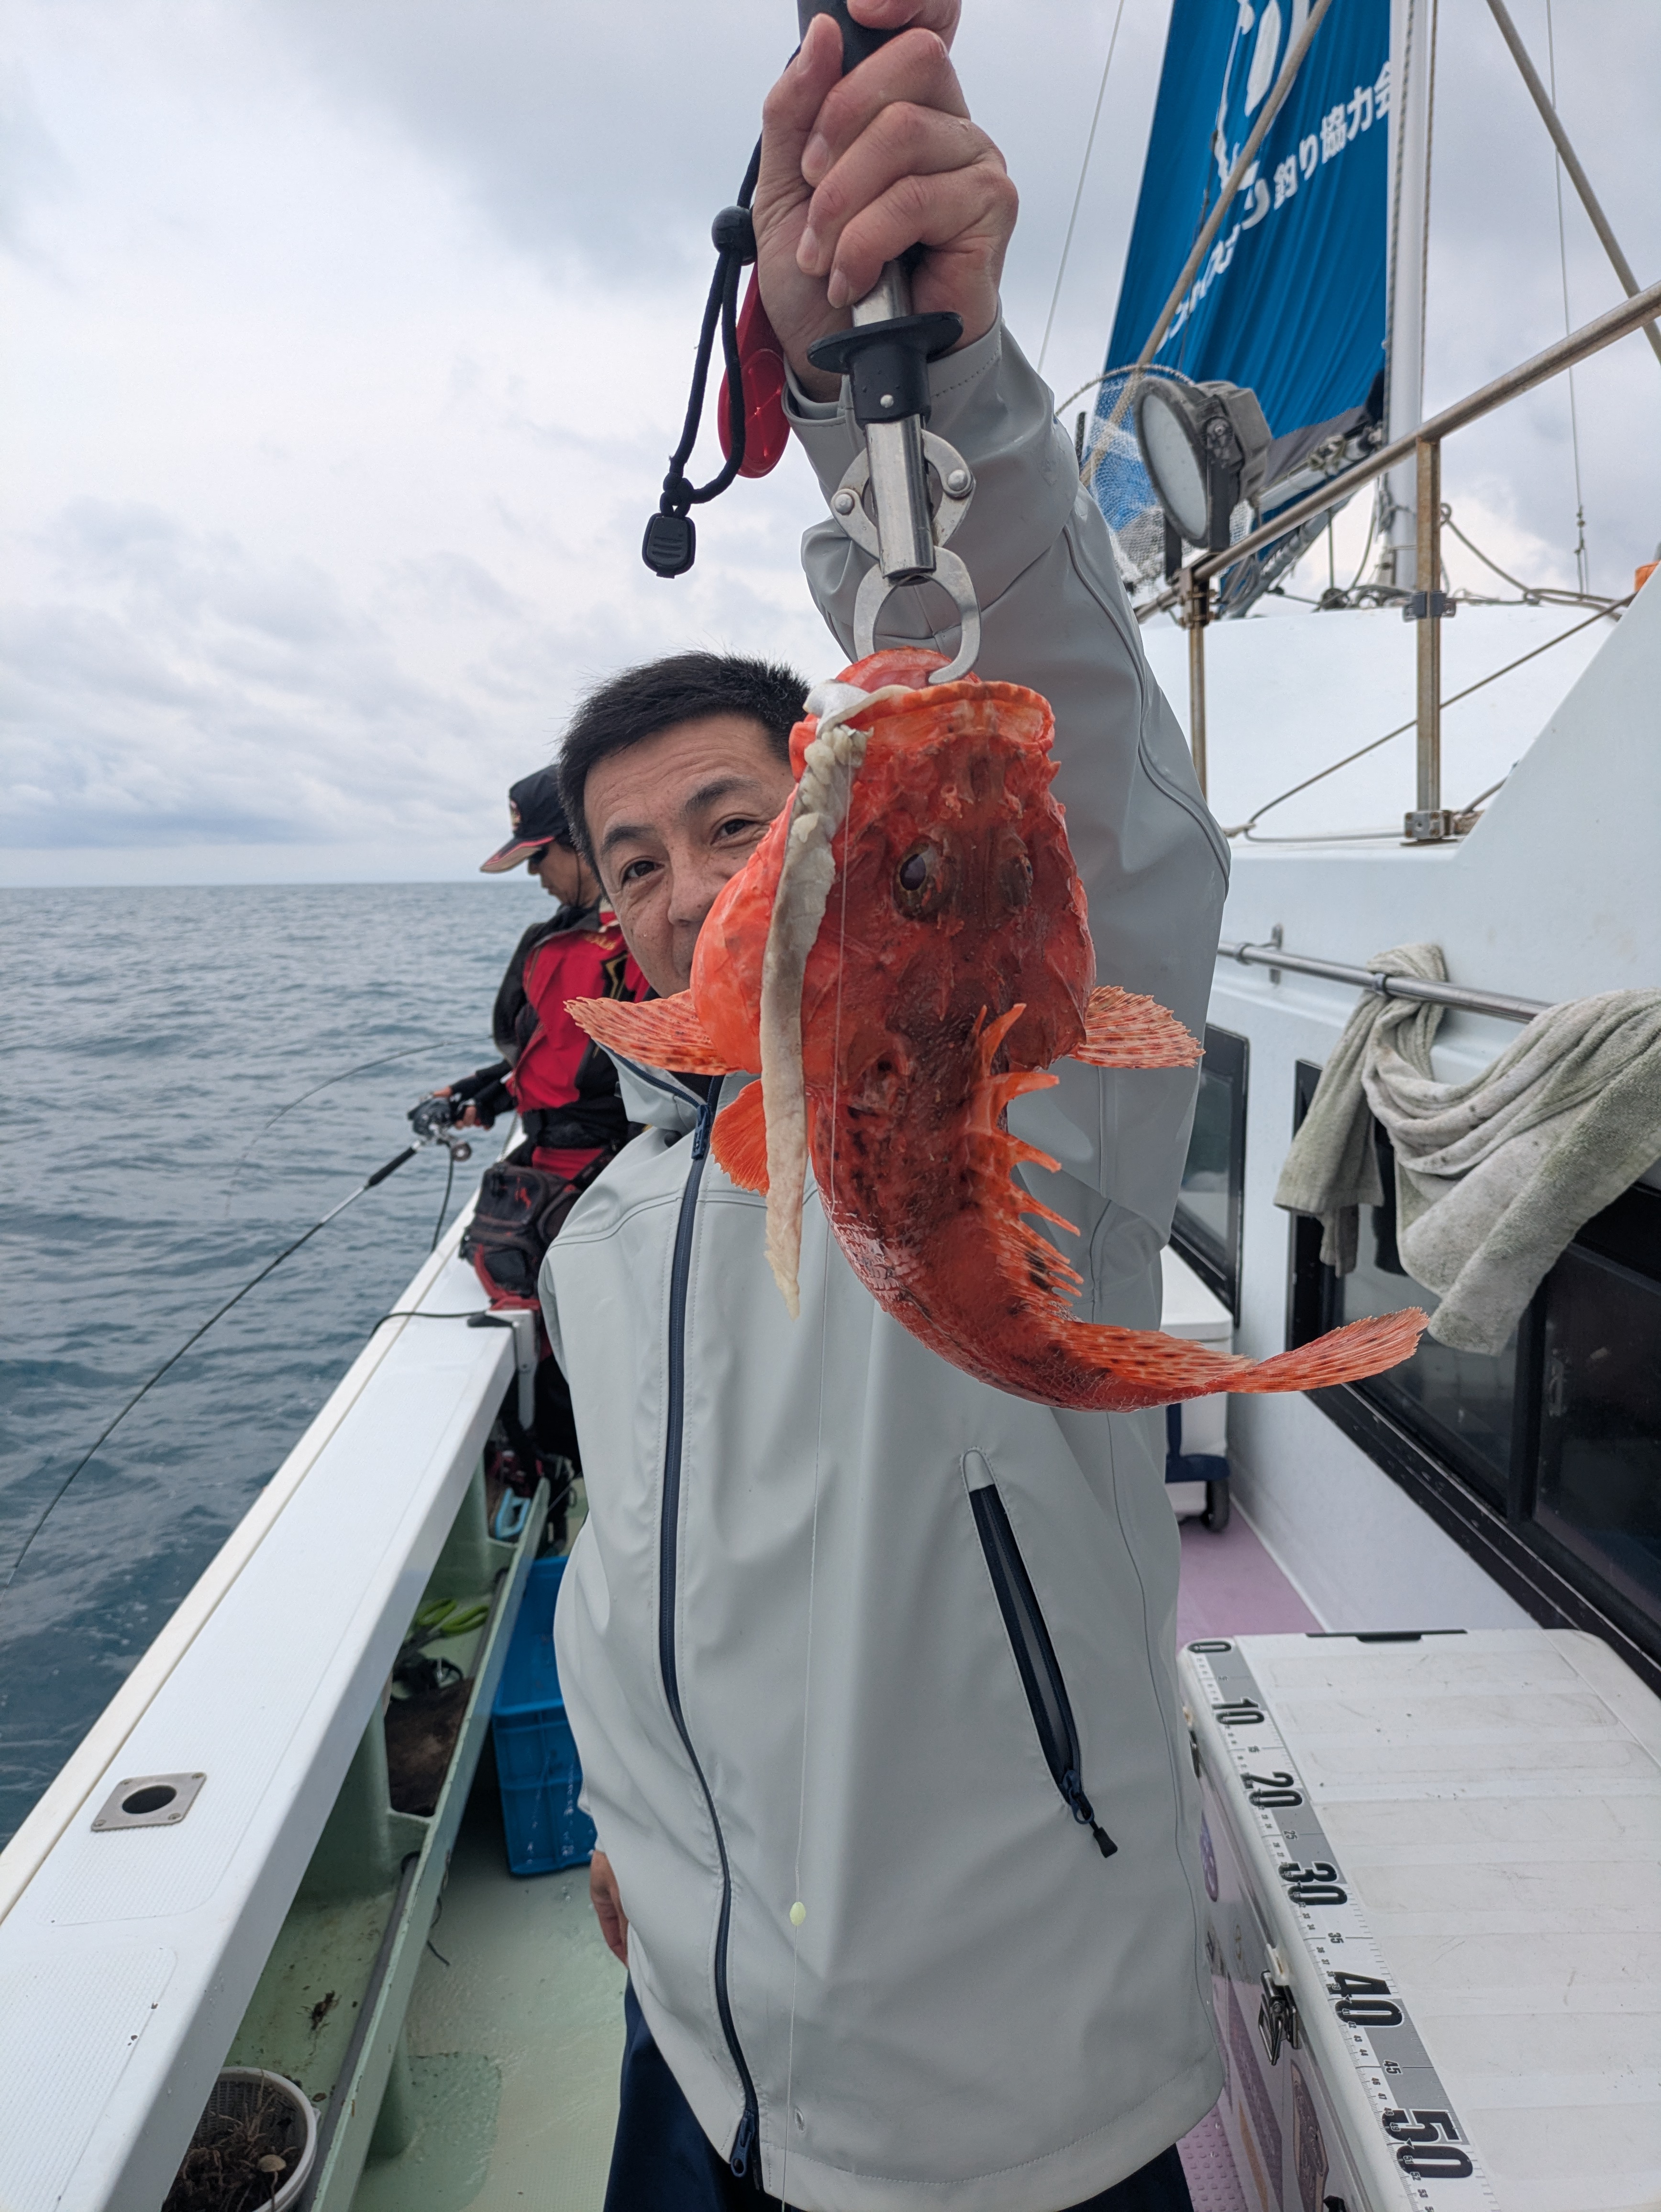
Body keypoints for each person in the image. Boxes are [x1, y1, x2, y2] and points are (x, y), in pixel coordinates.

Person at [540, 9, 1229, 2209]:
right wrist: (637, 1835)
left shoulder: (1009, 1106)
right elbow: (639, 1580)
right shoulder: (611, 1232)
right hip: (692, 2051)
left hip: (1000, 2123)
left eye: (731, 826)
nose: (679, 893)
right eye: (630, 861)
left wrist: (894, 391)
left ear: (829, 842)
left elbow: (1061, 757)